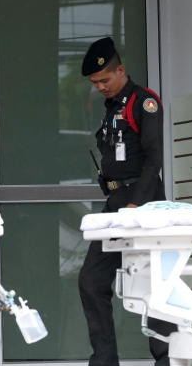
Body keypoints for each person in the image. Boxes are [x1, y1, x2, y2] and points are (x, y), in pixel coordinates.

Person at [77, 37, 174, 366]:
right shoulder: (112, 107)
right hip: (117, 203)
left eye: (105, 79)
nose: (100, 87)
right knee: (91, 281)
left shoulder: (143, 102)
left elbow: (154, 157)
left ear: (121, 70)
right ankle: (104, 360)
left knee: (154, 283)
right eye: (95, 83)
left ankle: (167, 359)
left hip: (142, 202)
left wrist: (139, 204)